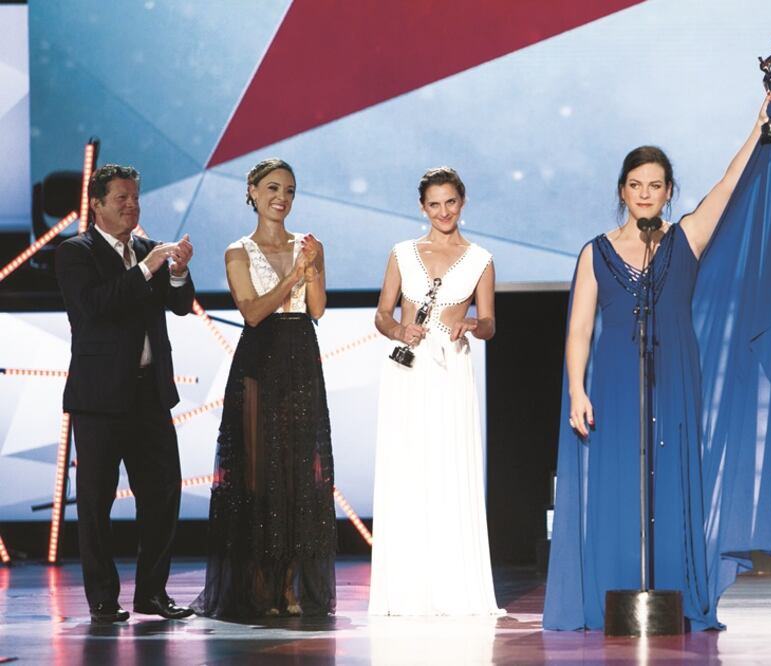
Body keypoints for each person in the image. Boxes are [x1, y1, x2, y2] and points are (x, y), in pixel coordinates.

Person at [544, 92, 771, 631]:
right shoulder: (593, 253)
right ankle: (612, 593)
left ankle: (674, 590)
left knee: (669, 482)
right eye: (635, 185)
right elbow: (578, 329)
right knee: (620, 486)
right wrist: (577, 389)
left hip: (673, 381)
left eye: (656, 186)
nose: (645, 194)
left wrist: (757, 128)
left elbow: (726, 185)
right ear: (622, 191)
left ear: (669, 194)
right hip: (616, 385)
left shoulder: (685, 236)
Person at [192, 158, 336, 618]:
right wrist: (294, 275)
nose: (282, 197)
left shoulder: (310, 245)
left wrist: (310, 269)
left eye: (290, 190)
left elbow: (316, 309)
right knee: (259, 476)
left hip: (300, 357)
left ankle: (291, 585)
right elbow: (252, 312)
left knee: (299, 474)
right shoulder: (239, 250)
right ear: (252, 191)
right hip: (260, 361)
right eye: (273, 188)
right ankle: (258, 583)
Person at [55, 164, 196, 623]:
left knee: (162, 493)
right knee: (95, 503)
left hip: (149, 395)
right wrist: (148, 269)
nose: (132, 205)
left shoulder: (147, 250)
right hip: (99, 400)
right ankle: (102, 599)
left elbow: (178, 307)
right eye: (122, 198)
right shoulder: (75, 252)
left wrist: (176, 272)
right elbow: (94, 307)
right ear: (96, 204)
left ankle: (152, 593)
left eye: (135, 197)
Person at [369, 166, 502, 616]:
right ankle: (406, 590)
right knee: (408, 469)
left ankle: (451, 588)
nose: (443, 211)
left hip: (450, 371)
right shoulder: (403, 253)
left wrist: (472, 324)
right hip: (408, 370)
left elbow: (489, 323)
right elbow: (381, 315)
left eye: (451, 202)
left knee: (448, 470)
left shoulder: (480, 258)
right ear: (422, 207)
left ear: (462, 202)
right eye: (434, 204)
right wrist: (399, 330)